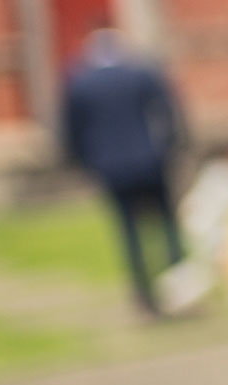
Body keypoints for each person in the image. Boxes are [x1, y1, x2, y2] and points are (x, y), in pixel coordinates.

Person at [60, 26, 185, 315]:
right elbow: (168, 109)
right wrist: (170, 147)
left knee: (129, 232)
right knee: (166, 226)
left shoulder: (80, 81)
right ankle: (179, 290)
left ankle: (144, 296)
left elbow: (71, 130)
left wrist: (83, 162)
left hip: (111, 168)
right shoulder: (140, 72)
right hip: (151, 162)